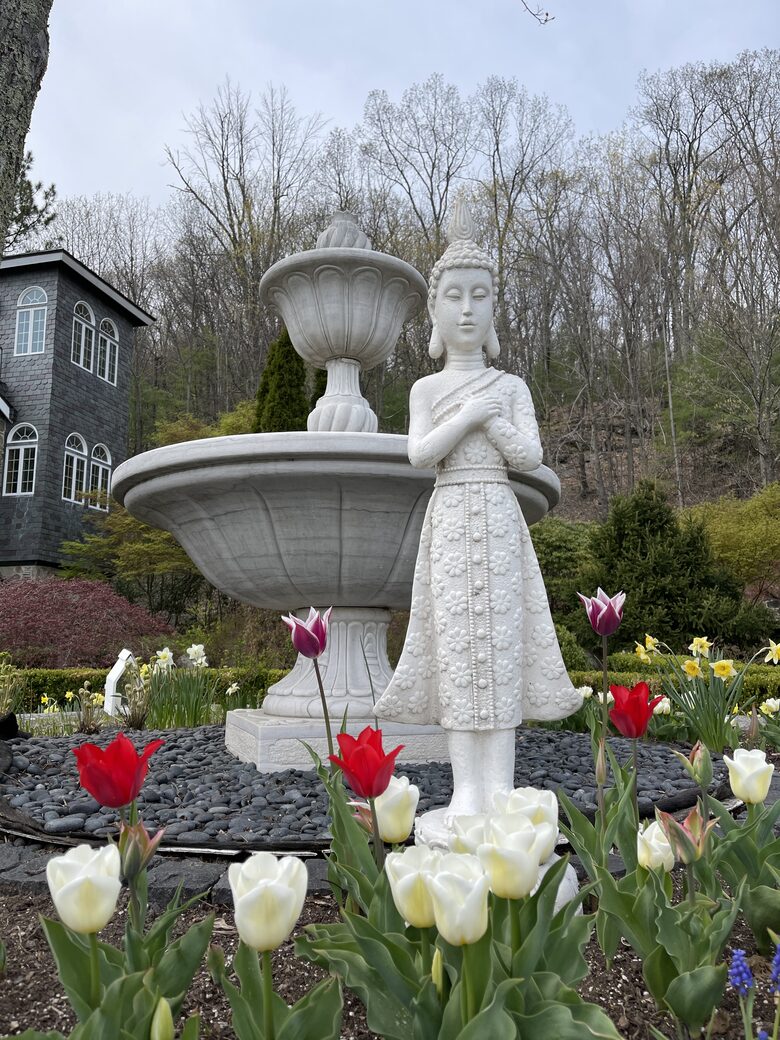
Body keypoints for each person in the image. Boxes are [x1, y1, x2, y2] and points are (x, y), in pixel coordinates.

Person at [374, 196, 581, 826]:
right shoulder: (427, 389)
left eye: (479, 296)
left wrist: (493, 422)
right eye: (454, 296)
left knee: (501, 648)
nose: (467, 309)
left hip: (498, 517)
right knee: (460, 651)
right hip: (450, 519)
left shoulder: (511, 387)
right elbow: (419, 454)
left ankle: (502, 788)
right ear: (435, 311)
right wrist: (467, 417)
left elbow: (530, 457)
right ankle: (467, 790)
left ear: (494, 309)